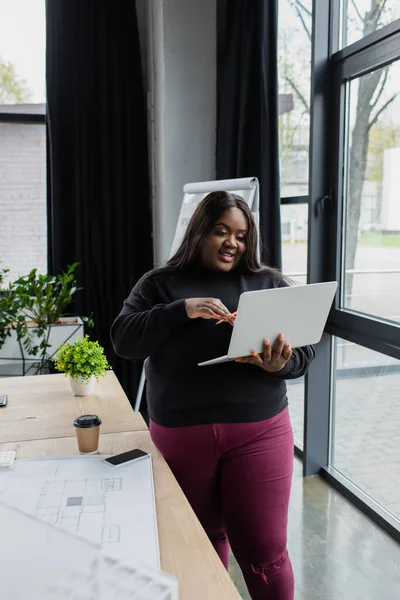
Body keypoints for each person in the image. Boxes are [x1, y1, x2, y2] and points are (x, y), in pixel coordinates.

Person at [111, 191, 315, 600]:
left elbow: (303, 353)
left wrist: (279, 364)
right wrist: (181, 310)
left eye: (241, 235)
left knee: (266, 555)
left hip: (260, 433)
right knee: (199, 544)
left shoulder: (268, 283)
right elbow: (124, 340)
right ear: (199, 230)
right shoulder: (160, 284)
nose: (232, 243)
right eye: (221, 231)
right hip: (181, 437)